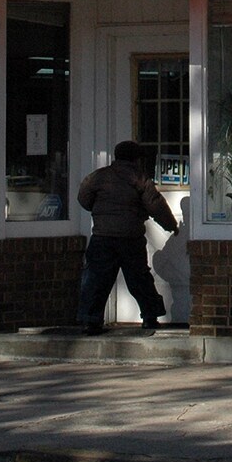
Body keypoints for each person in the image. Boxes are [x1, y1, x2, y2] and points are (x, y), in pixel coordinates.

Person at [76, 140, 178, 333]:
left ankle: (90, 321)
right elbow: (155, 204)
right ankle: (150, 317)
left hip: (102, 236)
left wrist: (99, 211)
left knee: (96, 280)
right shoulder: (139, 178)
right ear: (137, 159)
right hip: (131, 237)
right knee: (139, 279)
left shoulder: (99, 176)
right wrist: (171, 225)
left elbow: (83, 197)